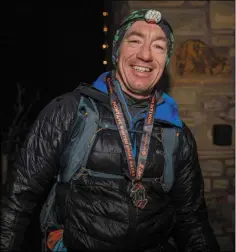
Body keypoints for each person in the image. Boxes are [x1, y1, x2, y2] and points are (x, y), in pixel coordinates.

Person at [1, 8, 220, 252]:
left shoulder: (177, 133)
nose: (146, 55)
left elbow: (192, 220)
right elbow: (19, 200)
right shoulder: (68, 112)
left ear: (165, 60)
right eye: (135, 41)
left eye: (158, 46)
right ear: (117, 52)